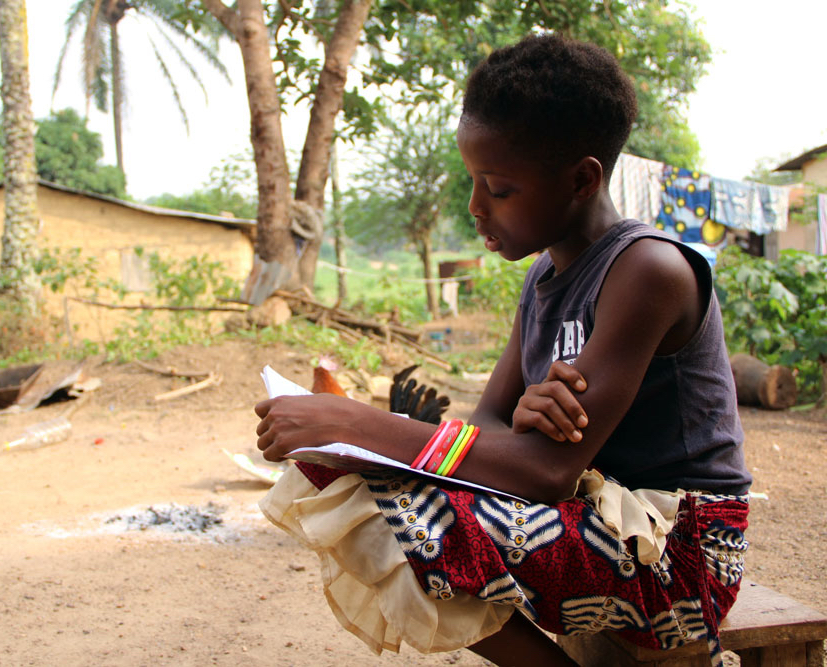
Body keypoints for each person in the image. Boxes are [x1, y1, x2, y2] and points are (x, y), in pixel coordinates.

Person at [254, 34, 750, 667]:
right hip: (593, 511)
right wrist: (517, 426)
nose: (476, 208)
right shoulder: (543, 280)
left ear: (580, 179)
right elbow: (492, 426)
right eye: (474, 183)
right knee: (350, 483)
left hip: (677, 547)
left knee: (397, 520)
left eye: (499, 188)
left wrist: (357, 422)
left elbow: (543, 471)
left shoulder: (648, 270)